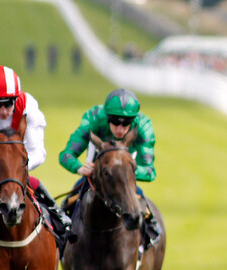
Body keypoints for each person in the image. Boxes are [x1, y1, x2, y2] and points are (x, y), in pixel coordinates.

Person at [0, 65, 72, 252]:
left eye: (8, 103)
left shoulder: (29, 106)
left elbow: (37, 150)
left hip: (18, 157)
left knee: (29, 181)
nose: (4, 110)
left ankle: (59, 221)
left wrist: (18, 166)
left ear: (17, 98)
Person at [58, 88, 161, 247]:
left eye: (126, 123)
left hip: (126, 167)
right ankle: (62, 238)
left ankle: (149, 234)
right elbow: (66, 155)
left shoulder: (143, 127)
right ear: (107, 117)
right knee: (68, 204)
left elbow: (149, 171)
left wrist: (123, 172)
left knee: (139, 201)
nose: (120, 129)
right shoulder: (93, 119)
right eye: (114, 122)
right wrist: (79, 167)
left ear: (133, 120)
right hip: (97, 165)